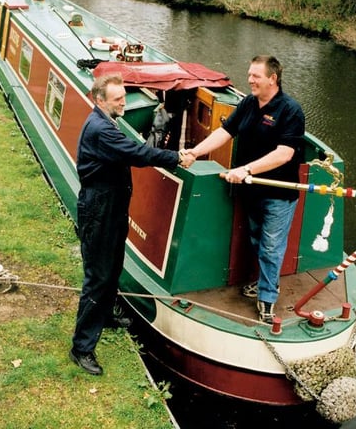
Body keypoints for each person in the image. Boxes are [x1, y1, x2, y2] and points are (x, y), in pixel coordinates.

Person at [70, 74, 195, 375]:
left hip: (111, 208)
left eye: (125, 96)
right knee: (97, 278)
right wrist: (176, 156)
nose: (125, 102)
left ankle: (107, 314)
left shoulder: (105, 121)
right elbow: (137, 154)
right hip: (100, 211)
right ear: (100, 101)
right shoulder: (101, 129)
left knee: (113, 266)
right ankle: (81, 348)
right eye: (119, 99)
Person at [186, 55, 305, 325]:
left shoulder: (290, 110)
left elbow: (285, 154)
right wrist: (196, 151)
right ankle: (262, 282)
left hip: (277, 194)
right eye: (250, 74)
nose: (250, 79)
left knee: (272, 246)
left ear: (272, 79)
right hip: (251, 192)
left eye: (256, 76)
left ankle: (267, 299)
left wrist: (246, 170)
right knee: (255, 240)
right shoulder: (249, 103)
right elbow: (225, 132)